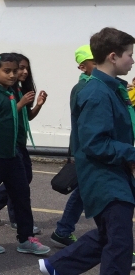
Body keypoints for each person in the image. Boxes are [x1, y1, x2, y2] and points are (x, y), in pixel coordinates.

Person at [41, 27, 135, 275]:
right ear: (113, 56)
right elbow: (95, 144)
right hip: (105, 179)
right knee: (120, 244)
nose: (132, 60)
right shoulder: (97, 93)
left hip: (113, 176)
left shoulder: (110, 88)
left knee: (109, 237)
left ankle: (57, 266)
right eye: (129, 54)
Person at [0, 53, 50, 256]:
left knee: (22, 195)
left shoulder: (11, 94)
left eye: (15, 71)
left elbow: (15, 118)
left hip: (11, 154)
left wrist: (37, 105)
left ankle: (26, 239)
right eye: (7, 71)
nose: (13, 75)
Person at [0, 54, 47, 234]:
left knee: (23, 179)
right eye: (19, 68)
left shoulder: (20, 90)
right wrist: (21, 103)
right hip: (10, 143)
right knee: (20, 182)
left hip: (20, 142)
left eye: (26, 68)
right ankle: (17, 220)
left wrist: (38, 104)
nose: (23, 72)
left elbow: (27, 117)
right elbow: (4, 115)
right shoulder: (6, 91)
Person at [50, 45, 95, 248]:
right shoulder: (84, 88)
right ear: (82, 66)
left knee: (85, 191)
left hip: (86, 149)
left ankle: (63, 230)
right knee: (87, 190)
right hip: (87, 149)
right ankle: (63, 230)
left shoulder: (91, 85)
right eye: (95, 61)